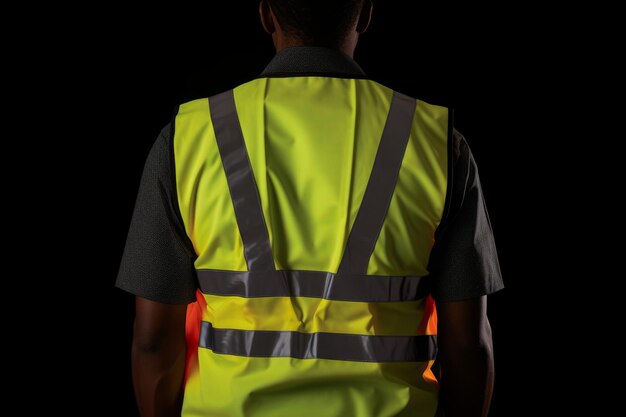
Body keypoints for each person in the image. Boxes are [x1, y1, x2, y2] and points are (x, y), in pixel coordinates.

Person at [116, 1, 504, 416]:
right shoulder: (436, 141)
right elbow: (467, 346)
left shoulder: (188, 138)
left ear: (266, 16)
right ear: (366, 15)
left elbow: (154, 341)